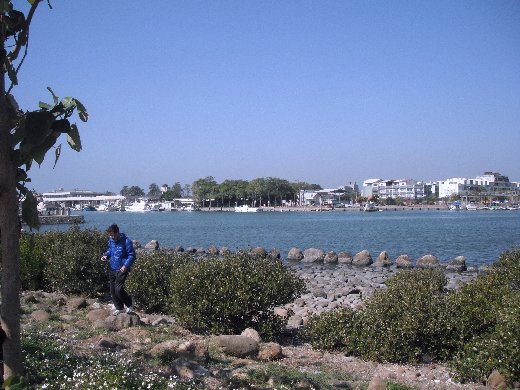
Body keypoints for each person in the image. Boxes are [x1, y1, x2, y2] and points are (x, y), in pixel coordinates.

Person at [101, 224, 136, 315]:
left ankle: (129, 303)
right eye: (110, 235)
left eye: (112, 235)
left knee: (118, 289)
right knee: (112, 290)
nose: (111, 237)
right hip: (112, 267)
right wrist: (106, 255)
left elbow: (132, 255)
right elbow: (110, 251)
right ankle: (119, 308)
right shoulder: (111, 240)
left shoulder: (126, 241)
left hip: (122, 268)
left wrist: (126, 265)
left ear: (117, 233)